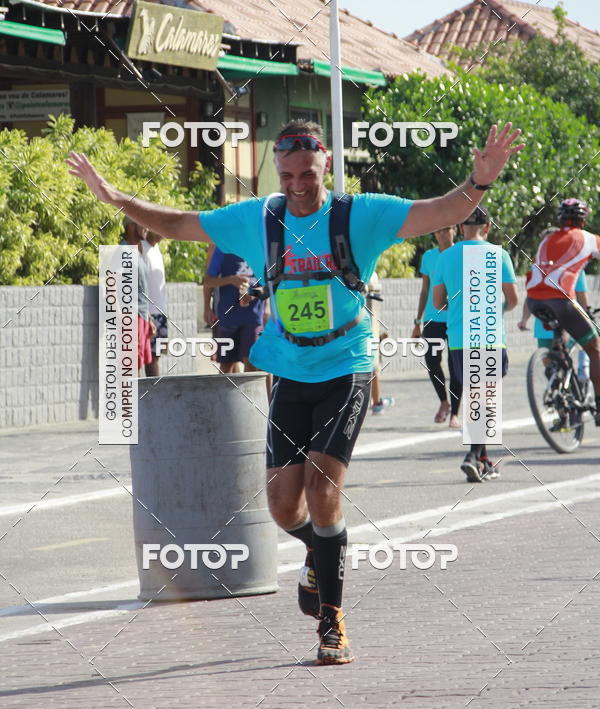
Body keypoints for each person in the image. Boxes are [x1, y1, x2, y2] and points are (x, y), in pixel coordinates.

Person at [68, 119, 523, 665]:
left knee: (324, 489)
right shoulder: (259, 218)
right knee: (284, 505)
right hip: (288, 366)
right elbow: (180, 222)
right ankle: (320, 550)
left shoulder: (361, 215)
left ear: (326, 164)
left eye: (307, 173)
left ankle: (332, 620)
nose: (298, 184)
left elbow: (439, 211)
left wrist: (479, 183)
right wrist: (115, 197)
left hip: (347, 362)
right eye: (287, 175)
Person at [432, 205, 519, 482]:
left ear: (459, 228)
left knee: (477, 397)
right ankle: (472, 455)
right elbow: (513, 300)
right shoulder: (499, 254)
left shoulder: (445, 257)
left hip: (459, 339)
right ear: (488, 227)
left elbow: (437, 303)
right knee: (485, 398)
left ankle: (481, 460)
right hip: (490, 336)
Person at [525, 199, 600, 424]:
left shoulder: (547, 239)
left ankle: (560, 388)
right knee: (595, 349)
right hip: (561, 300)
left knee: (559, 342)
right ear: (583, 219)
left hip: (534, 300)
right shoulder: (587, 238)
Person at [412, 226, 462, 427]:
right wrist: (417, 321)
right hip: (433, 318)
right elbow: (425, 290)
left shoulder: (461, 253)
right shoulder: (429, 256)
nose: (442, 233)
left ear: (455, 230)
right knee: (431, 361)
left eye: (447, 229)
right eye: (439, 230)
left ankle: (455, 413)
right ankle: (444, 402)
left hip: (456, 317)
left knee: (455, 364)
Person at [203, 248, 265, 374]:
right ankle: (224, 394)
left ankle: (249, 394)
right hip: (227, 317)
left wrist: (253, 294)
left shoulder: (260, 247)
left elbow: (271, 284)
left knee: (252, 363)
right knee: (226, 366)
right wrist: (231, 279)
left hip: (252, 317)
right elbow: (208, 280)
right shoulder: (222, 247)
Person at [121, 218, 153, 376]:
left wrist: (148, 318)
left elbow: (140, 289)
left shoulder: (137, 251)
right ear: (131, 226)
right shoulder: (122, 251)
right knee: (131, 370)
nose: (147, 227)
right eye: (143, 223)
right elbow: (111, 285)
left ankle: (139, 401)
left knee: (138, 366)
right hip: (131, 318)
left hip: (141, 317)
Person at [141, 231, 168, 377]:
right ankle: (145, 396)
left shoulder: (156, 250)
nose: (162, 233)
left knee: (155, 357)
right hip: (148, 313)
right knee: (146, 359)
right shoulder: (141, 248)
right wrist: (146, 314)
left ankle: (154, 395)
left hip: (160, 313)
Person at [366, 271, 394, 414]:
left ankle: (375, 401)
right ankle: (376, 402)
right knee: (374, 362)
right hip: (368, 330)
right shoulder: (370, 274)